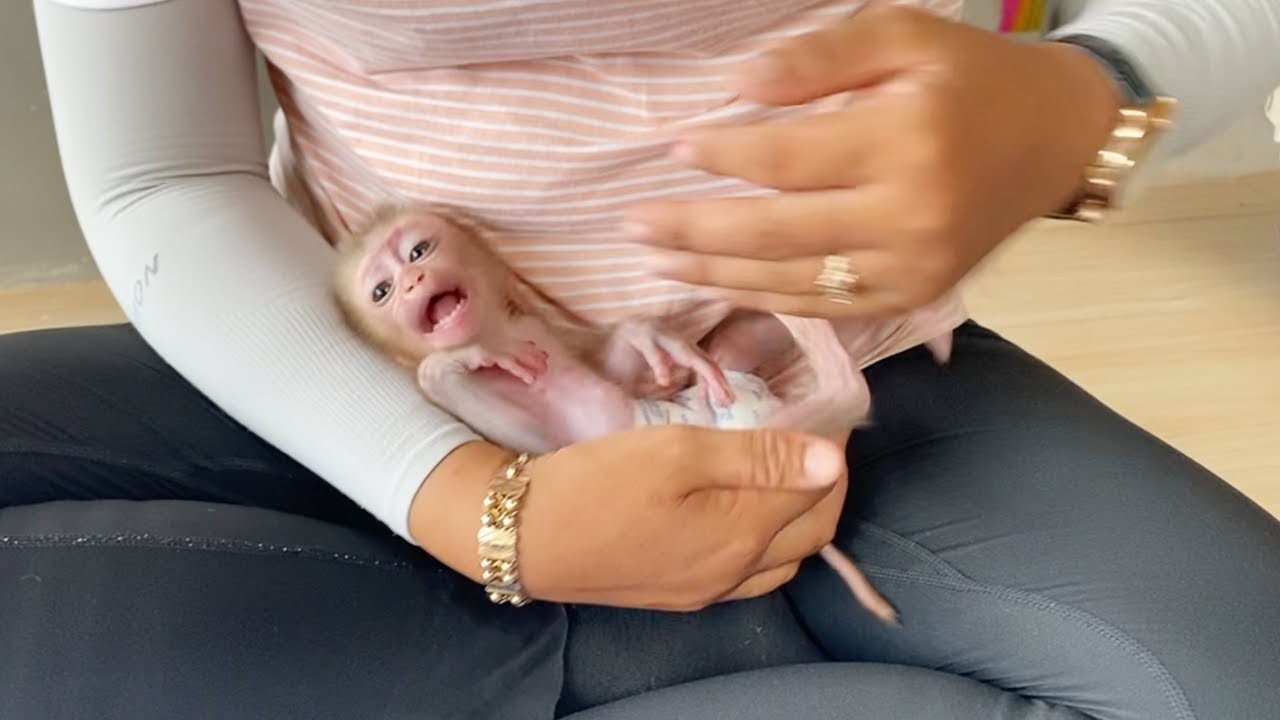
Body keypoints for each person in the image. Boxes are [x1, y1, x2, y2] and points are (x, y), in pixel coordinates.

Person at [5, 0, 1279, 718]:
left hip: (840, 379)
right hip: (349, 388)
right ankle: (691, 656)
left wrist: (1089, 96)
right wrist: (479, 509)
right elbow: (167, 174)